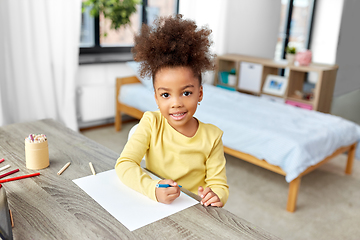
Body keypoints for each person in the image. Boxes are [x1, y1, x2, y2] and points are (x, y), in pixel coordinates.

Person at [115, 14, 229, 207]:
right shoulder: (151, 123)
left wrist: (216, 196)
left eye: (186, 93)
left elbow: (219, 185)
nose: (176, 103)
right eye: (166, 95)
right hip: (156, 205)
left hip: (196, 210)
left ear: (199, 93)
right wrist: (153, 188)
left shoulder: (213, 137)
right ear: (156, 98)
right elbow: (124, 164)